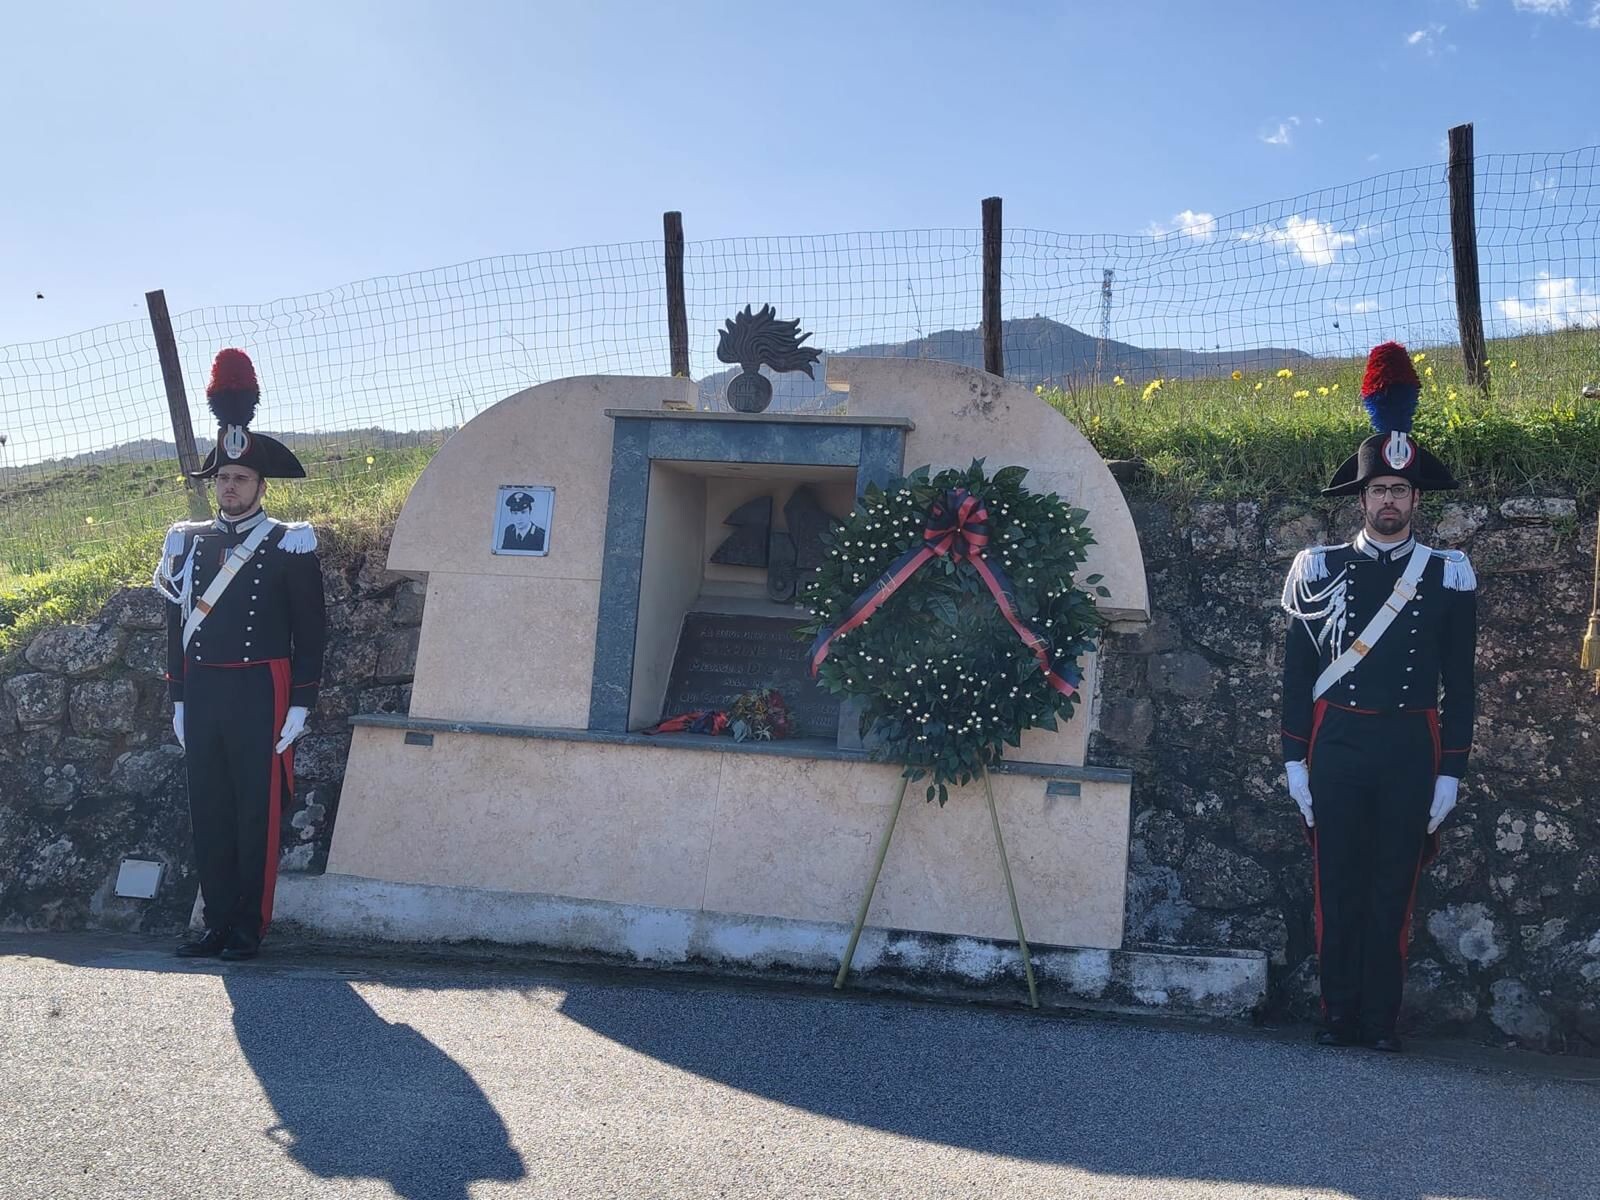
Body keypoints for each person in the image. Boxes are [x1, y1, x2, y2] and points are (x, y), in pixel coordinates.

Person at [1278, 341, 1477, 1053]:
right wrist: (1293, 760)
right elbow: (1298, 671)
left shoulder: (1449, 574)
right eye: (1378, 491)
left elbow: (1463, 680)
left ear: (1416, 499)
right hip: (1337, 742)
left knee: (1395, 885)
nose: (1389, 500)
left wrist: (1451, 768)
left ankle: (1379, 1021)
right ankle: (1338, 1015)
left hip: (1408, 744)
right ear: (1361, 499)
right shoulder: (1318, 569)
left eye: (1400, 491)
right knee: (1336, 884)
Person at [154, 348, 325, 961]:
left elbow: (313, 632)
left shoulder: (288, 545)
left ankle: (249, 926)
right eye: (223, 479)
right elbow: (174, 624)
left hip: (260, 689)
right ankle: (216, 921)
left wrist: (301, 704)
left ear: (259, 483)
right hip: (204, 692)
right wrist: (178, 695)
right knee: (210, 810)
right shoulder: (187, 544)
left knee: (257, 811)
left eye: (241, 479)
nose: (230, 487)